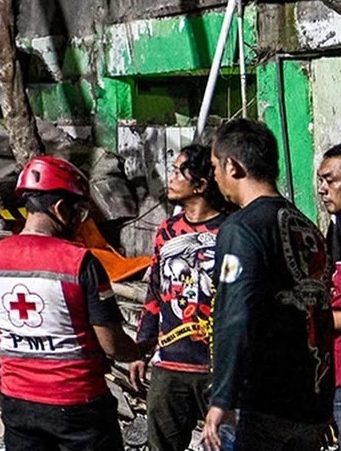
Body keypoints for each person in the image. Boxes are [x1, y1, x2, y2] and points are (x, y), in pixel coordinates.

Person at [0, 155, 145, 451]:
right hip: (78, 403)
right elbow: (113, 346)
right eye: (78, 213)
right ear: (61, 209)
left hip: (18, 402)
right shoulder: (80, 262)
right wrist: (142, 349)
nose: (80, 222)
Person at [202, 119, 334, 451]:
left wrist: (222, 397)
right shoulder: (307, 227)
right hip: (313, 399)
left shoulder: (243, 229)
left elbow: (236, 315)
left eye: (216, 166)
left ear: (233, 166)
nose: (215, 176)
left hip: (267, 403)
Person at [129, 144, 228, 451]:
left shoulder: (231, 231)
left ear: (200, 185)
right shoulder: (166, 231)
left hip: (217, 367)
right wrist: (141, 347)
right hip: (170, 365)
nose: (170, 178)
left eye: (177, 172)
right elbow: (155, 293)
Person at [316, 143, 341, 433]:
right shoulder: (334, 228)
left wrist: (317, 318)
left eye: (330, 180)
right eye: (320, 180)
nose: (322, 189)